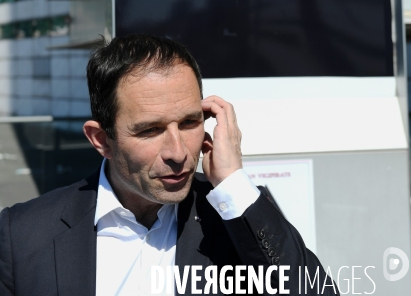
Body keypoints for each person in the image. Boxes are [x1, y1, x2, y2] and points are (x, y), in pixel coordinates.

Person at [0, 35, 338, 296]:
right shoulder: (22, 235)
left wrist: (233, 181)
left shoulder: (238, 216)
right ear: (102, 140)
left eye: (190, 123)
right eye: (150, 130)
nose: (178, 152)